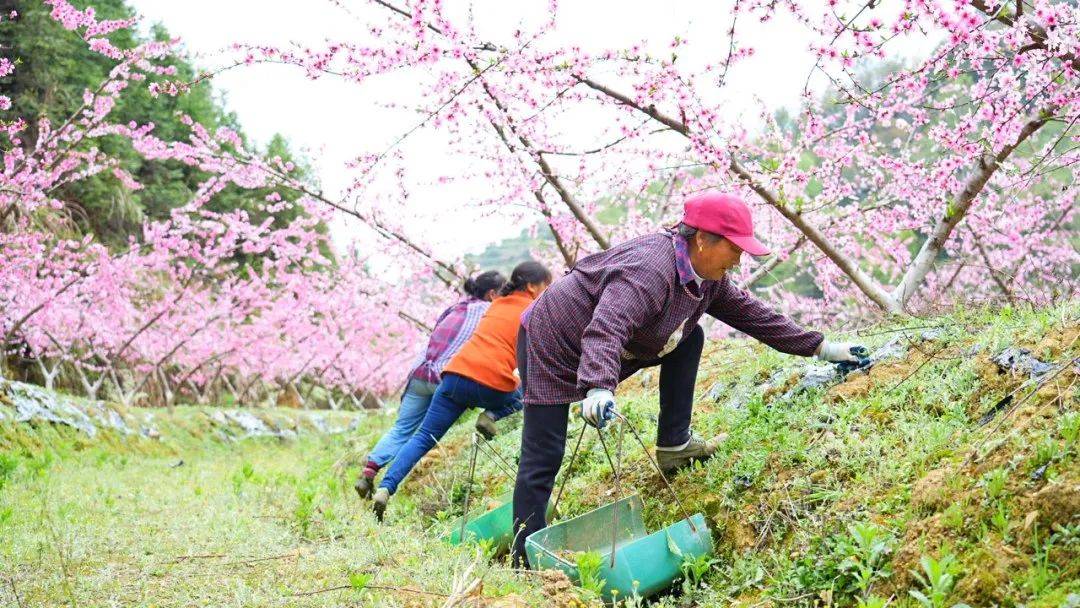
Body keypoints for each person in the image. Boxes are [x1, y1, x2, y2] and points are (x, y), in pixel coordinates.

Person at [510, 192, 867, 565]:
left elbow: (754, 316)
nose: (739, 260)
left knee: (689, 335)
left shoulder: (706, 276)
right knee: (544, 451)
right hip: (552, 342)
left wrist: (822, 347)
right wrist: (598, 387)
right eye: (734, 249)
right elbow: (607, 328)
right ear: (702, 239)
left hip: (613, 341)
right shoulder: (649, 270)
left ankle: (674, 445)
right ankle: (525, 558)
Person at [372, 261, 554, 521]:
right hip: (492, 382)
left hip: (455, 376)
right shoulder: (534, 311)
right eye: (546, 285)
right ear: (531, 286)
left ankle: (385, 488)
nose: (548, 290)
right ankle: (490, 415)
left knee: (423, 437)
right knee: (526, 390)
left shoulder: (496, 304)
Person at [355, 270, 507, 500]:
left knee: (402, 428)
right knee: (427, 433)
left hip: (420, 373)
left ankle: (370, 470)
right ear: (493, 293)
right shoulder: (491, 311)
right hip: (446, 377)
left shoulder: (455, 308)